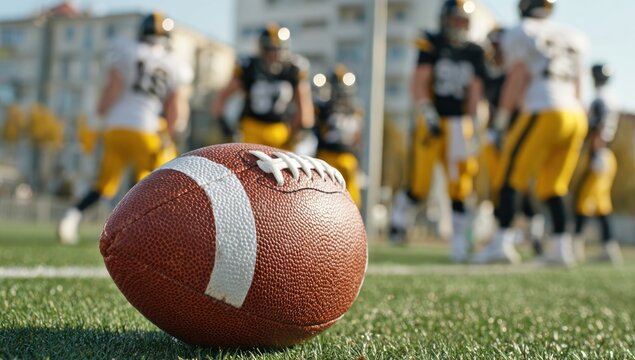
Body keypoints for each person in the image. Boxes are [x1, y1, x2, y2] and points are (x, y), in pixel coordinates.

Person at [57, 12, 193, 244]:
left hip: (117, 127)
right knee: (147, 187)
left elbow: (114, 87)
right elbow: (175, 106)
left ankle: (72, 217)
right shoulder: (174, 63)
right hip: (148, 131)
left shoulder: (127, 50)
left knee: (104, 184)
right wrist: (171, 133)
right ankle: (138, 234)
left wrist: (98, 117)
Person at [474, 0, 588, 265]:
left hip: (543, 109)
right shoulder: (573, 35)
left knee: (510, 176)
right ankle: (561, 249)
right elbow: (579, 83)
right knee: (553, 184)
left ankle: (501, 243)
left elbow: (518, 76)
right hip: (575, 115)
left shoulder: (522, 31)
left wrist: (501, 120)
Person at [390, 0, 486, 261]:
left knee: (460, 186)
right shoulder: (432, 42)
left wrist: (475, 124)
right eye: (454, 20)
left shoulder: (475, 51)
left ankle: (459, 244)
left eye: (461, 21)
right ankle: (398, 220)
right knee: (420, 183)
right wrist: (426, 110)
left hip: (459, 123)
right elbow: (420, 80)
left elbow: (475, 92)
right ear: (445, 20)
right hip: (433, 118)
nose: (458, 26)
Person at [482, 27, 544, 256]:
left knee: (521, 187)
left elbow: (519, 103)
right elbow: (491, 107)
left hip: (517, 133)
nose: (495, 52)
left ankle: (528, 236)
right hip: (498, 134)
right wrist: (492, 130)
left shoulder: (516, 71)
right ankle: (502, 236)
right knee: (501, 186)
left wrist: (503, 129)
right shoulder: (491, 74)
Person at [211, 23, 314, 149]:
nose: (274, 54)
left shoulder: (293, 70)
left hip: (280, 131)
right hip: (251, 128)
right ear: (262, 49)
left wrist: (302, 129)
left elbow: (303, 106)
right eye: (269, 49)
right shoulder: (248, 67)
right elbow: (221, 98)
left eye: (278, 49)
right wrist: (225, 126)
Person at [572, 63, 622, 264]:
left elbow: (598, 129)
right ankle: (610, 248)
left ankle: (574, 245)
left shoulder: (600, 100)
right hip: (608, 155)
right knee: (602, 206)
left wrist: (594, 154)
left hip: (599, 153)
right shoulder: (613, 99)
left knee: (583, 201)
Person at [314, 65, 363, 208]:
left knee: (353, 201)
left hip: (349, 158)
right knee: (323, 197)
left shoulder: (356, 111)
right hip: (326, 158)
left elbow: (357, 138)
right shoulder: (321, 109)